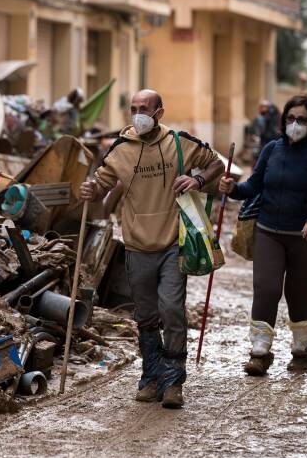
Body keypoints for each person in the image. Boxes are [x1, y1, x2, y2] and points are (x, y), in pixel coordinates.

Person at [79, 89, 224, 408]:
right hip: (136, 245)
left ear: (159, 112)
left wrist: (198, 182)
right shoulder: (119, 150)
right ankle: (151, 376)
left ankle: (173, 382)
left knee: (171, 310)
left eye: (144, 108)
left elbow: (216, 164)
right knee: (145, 316)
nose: (138, 113)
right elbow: (101, 183)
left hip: (173, 243)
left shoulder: (180, 142)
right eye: (133, 108)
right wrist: (91, 189)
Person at [219, 95, 307, 376]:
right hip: (268, 231)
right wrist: (232, 189)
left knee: (297, 293)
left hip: (306, 235)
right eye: (291, 118)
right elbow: (253, 185)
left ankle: (300, 351)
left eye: (302, 119)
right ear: (283, 121)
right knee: (266, 288)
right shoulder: (271, 150)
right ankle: (259, 352)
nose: (295, 124)